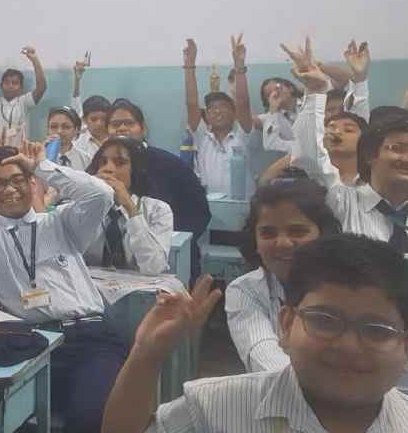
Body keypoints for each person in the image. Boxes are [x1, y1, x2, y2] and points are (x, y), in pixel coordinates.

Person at [0, 67, 126, 433]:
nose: (10, 189)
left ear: (33, 184)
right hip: (33, 343)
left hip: (90, 337)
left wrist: (42, 167)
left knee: (87, 420)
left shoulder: (61, 224)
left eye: (18, 180)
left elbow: (101, 195)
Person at [102, 234, 408, 433]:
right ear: (286, 325)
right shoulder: (212, 409)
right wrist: (145, 356)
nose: (349, 345)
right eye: (325, 321)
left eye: (376, 331)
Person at [284, 38, 408, 248]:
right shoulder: (341, 201)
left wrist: (360, 79)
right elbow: (311, 157)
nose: (405, 158)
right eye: (397, 149)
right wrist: (316, 90)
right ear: (371, 154)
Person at [225, 179, 342, 373]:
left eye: (298, 232)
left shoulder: (350, 289)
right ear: (254, 240)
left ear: (324, 235)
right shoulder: (245, 290)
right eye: (268, 233)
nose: (283, 243)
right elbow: (263, 357)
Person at [105, 99, 211, 243]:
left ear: (143, 128)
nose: (122, 128)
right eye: (115, 124)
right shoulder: (100, 167)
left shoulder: (172, 165)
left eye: (129, 123)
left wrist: (165, 240)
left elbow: (199, 213)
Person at [83, 138, 174, 276]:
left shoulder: (158, 210)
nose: (108, 168)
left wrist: (130, 207)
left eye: (119, 163)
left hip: (141, 287)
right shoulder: (82, 207)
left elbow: (153, 267)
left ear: (135, 170)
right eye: (103, 162)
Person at [183, 36, 260, 198]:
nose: (217, 111)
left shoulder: (243, 137)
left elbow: (243, 103)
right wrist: (189, 66)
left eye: (223, 107)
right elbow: (191, 103)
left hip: (243, 207)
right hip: (211, 207)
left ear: (234, 114)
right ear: (206, 116)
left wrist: (239, 67)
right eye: (212, 108)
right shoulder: (202, 138)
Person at [0, 47, 47, 146]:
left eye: (15, 83)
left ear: (21, 87)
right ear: (1, 86)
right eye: (7, 82)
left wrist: (35, 60)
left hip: (18, 150)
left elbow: (42, 88)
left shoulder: (24, 102)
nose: (10, 85)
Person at [71, 59, 113, 157]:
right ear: (84, 120)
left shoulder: (114, 138)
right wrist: (77, 80)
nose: (99, 123)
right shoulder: (80, 139)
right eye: (93, 119)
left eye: (104, 119)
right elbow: (76, 105)